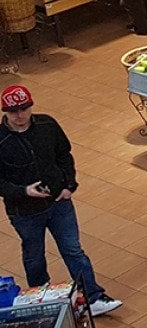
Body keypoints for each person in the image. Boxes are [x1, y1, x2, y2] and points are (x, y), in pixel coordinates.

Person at [0, 86, 121, 317]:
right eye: (13, 111)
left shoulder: (47, 125)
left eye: (24, 109)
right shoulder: (1, 141)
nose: (19, 115)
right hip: (24, 212)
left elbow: (64, 155)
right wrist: (24, 191)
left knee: (73, 250)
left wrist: (69, 185)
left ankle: (92, 298)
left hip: (59, 203)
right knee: (34, 256)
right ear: (5, 112)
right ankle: (41, 300)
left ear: (31, 106)